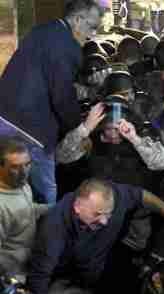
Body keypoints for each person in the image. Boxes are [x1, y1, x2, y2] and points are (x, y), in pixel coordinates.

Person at [26, 178, 164, 294]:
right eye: (98, 214)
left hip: (98, 268)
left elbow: (140, 195)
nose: (105, 221)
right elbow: (39, 277)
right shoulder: (53, 229)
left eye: (109, 213)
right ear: (77, 206)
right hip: (66, 277)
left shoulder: (113, 195)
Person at [0, 0, 104, 204]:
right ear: (77, 19)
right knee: (46, 193)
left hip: (4, 116)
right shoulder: (69, 47)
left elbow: (41, 75)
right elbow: (62, 97)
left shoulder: (42, 30)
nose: (92, 34)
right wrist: (81, 130)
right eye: (92, 27)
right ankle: (42, 231)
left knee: (6, 184)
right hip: (33, 130)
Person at [0, 138, 50, 274]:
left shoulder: (20, 184)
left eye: (27, 164)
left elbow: (26, 208)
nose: (24, 172)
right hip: (13, 271)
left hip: (28, 259)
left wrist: (54, 208)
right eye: (15, 167)